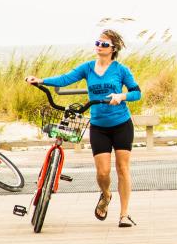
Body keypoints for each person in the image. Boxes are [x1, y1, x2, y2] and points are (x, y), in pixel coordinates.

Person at [26, 29, 141, 228]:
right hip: (99, 126)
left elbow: (136, 93)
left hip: (122, 124)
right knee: (103, 173)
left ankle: (124, 215)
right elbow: (65, 79)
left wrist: (121, 96)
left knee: (123, 169)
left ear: (113, 49)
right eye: (98, 42)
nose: (99, 46)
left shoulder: (121, 70)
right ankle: (105, 195)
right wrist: (41, 80)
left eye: (104, 44)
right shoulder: (88, 68)